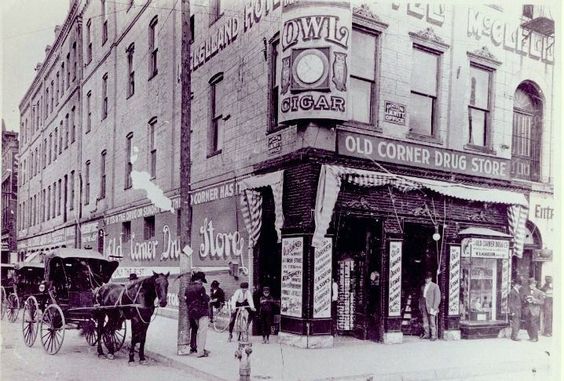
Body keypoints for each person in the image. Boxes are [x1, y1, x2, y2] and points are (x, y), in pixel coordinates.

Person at [185, 271, 210, 357]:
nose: (202, 282)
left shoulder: (188, 288)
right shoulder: (200, 288)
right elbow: (205, 299)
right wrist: (208, 297)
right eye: (202, 280)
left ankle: (197, 347)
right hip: (202, 311)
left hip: (192, 312)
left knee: (196, 330)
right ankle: (200, 352)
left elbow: (187, 299)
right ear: (199, 280)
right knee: (202, 331)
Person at [418, 272, 441, 341]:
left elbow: (437, 297)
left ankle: (433, 335)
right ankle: (426, 334)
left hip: (431, 306)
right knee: (425, 320)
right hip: (423, 305)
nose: (426, 280)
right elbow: (421, 297)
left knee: (432, 320)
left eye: (428, 278)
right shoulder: (422, 286)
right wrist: (420, 305)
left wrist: (435, 307)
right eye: (426, 278)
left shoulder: (435, 286)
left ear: (431, 278)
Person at [523, 277, 545, 342]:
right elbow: (524, 299)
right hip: (528, 310)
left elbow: (542, 302)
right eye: (530, 285)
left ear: (535, 284)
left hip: (535, 311)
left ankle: (535, 338)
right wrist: (526, 300)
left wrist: (534, 300)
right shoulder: (527, 291)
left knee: (533, 323)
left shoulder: (540, 292)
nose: (531, 286)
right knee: (527, 324)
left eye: (532, 284)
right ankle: (531, 337)